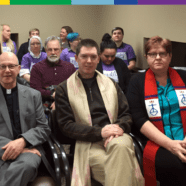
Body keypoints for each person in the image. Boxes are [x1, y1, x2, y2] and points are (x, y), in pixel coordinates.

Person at [55, 38, 144, 186]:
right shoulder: (64, 89)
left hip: (116, 137)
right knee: (122, 170)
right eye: (84, 56)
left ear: (98, 59)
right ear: (76, 58)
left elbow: (126, 114)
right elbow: (66, 125)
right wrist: (100, 132)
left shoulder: (110, 84)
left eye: (93, 57)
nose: (88, 61)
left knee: (120, 146)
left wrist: (118, 129)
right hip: (88, 143)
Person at [0, 52, 51, 186]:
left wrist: (22, 142)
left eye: (11, 66)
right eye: (2, 67)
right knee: (11, 175)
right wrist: (13, 147)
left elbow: (43, 128)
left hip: (28, 154)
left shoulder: (33, 95)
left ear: (19, 69)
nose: (7, 70)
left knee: (27, 164)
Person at [126, 36, 186, 186]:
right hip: (157, 141)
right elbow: (139, 119)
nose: (158, 57)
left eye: (162, 53)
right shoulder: (136, 82)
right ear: (146, 57)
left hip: (185, 136)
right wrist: (170, 144)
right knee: (175, 165)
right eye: (153, 54)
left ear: (170, 56)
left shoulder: (184, 77)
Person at [30, 36, 76, 110]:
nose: (53, 52)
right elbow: (35, 90)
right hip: (42, 105)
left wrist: (59, 101)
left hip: (66, 103)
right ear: (45, 50)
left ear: (61, 50)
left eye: (56, 49)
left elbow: (74, 88)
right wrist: (51, 94)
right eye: (50, 50)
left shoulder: (70, 67)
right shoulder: (37, 68)